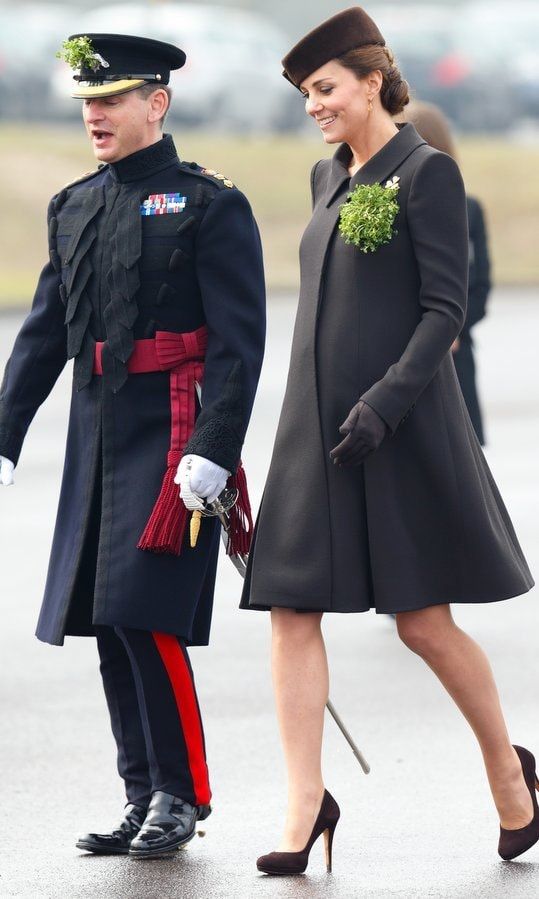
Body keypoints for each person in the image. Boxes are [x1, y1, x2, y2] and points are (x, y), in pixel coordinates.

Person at [240, 7, 536, 876]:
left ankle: (508, 775)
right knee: (292, 609)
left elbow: (445, 309)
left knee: (422, 624)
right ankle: (305, 802)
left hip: (396, 426)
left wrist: (385, 403)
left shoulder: (427, 173)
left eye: (324, 89)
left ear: (372, 80)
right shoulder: (323, 176)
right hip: (313, 430)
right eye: (304, 95)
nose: (314, 107)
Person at [0, 33, 265, 858]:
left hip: (174, 429)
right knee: (106, 619)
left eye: (111, 99)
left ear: (157, 103)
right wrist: (5, 433)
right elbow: (46, 331)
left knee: (146, 616)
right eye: (87, 101)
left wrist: (216, 447)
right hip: (99, 431)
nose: (95, 115)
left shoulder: (208, 204)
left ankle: (182, 793)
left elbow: (238, 343)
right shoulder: (74, 204)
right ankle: (140, 790)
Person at [401, 100, 491, 444]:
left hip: (455, 353)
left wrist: (452, 328)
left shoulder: (468, 208)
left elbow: (480, 283)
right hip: (403, 353)